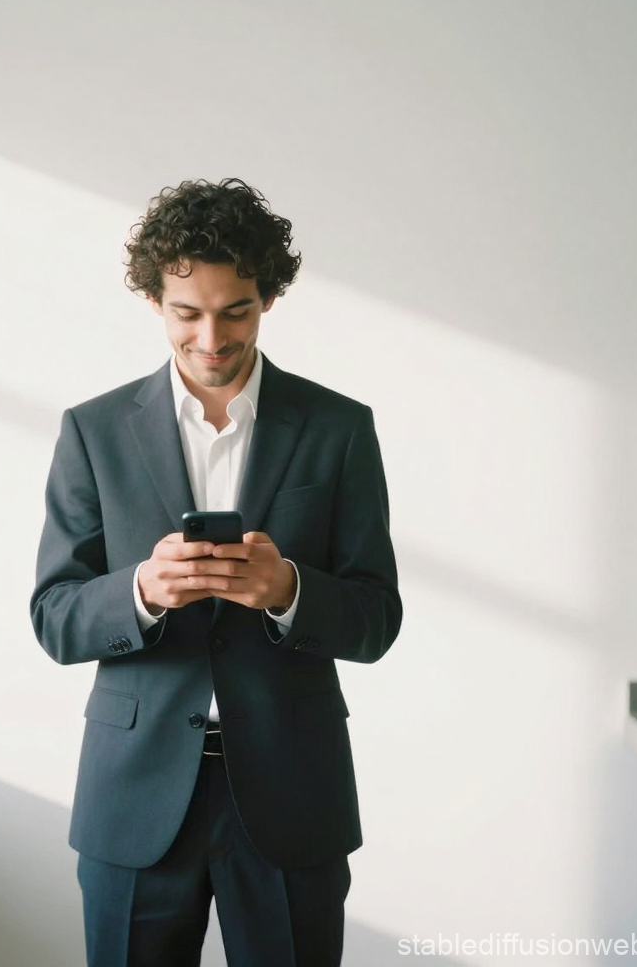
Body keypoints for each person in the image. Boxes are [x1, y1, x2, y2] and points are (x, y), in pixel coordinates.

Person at [30, 178, 401, 967]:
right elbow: (55, 617)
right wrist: (140, 592)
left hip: (291, 791)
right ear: (154, 302)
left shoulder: (338, 429)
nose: (211, 335)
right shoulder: (93, 432)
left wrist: (290, 591)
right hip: (133, 794)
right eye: (186, 312)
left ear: (268, 297)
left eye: (236, 309)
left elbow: (376, 618)